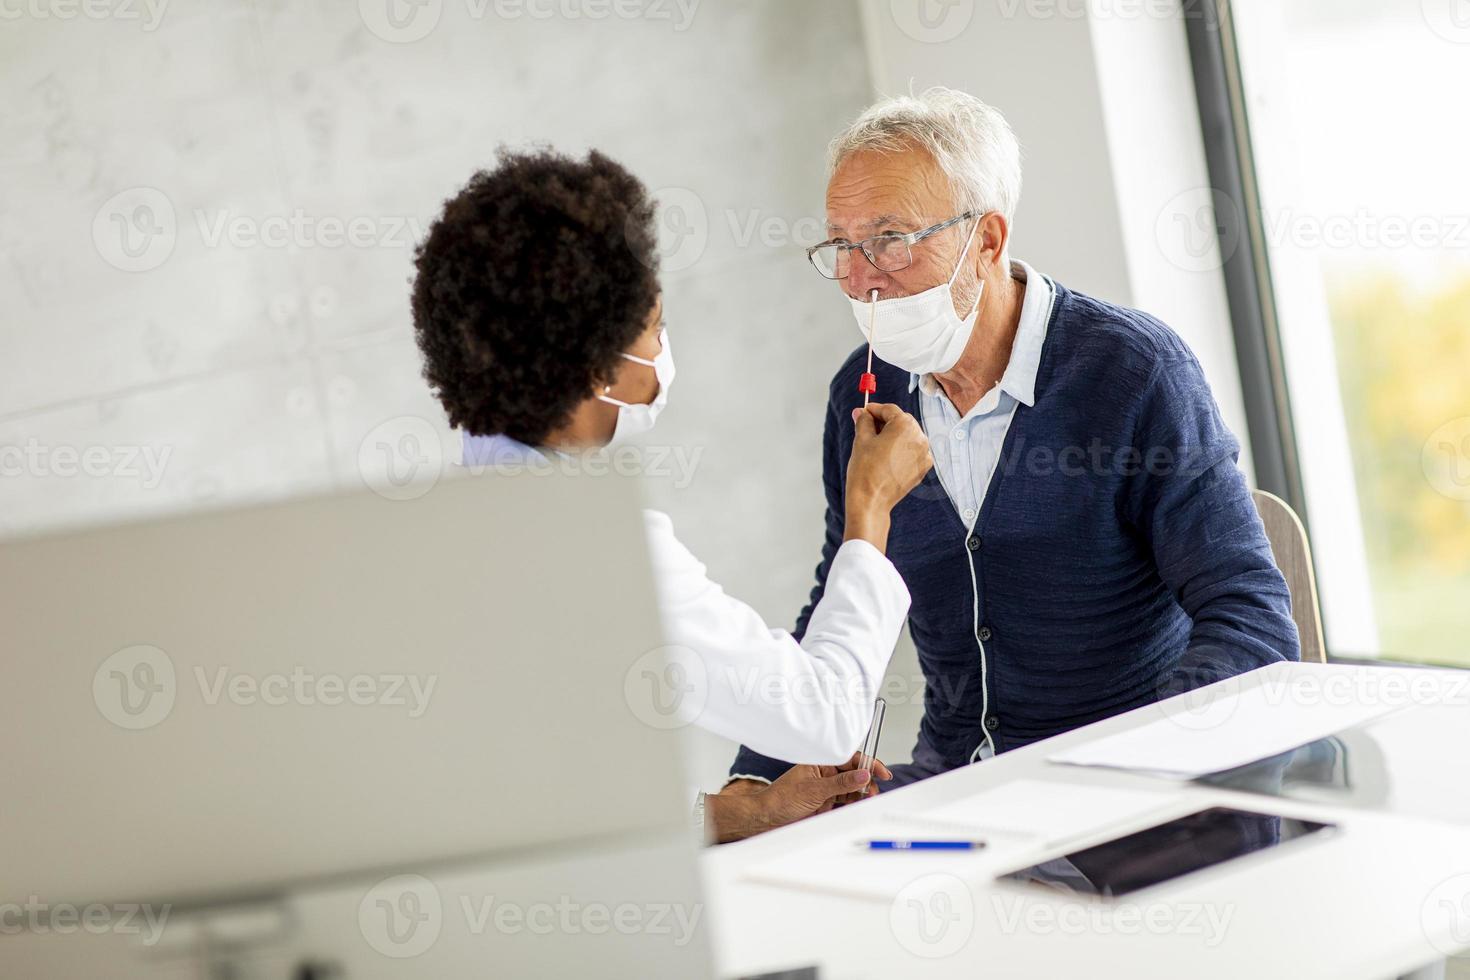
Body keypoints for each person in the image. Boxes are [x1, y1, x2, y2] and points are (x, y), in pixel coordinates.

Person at [725, 87, 1300, 796]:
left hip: (1129, 790)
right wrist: (748, 794)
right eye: (841, 245)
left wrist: (1140, 767)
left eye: (889, 240)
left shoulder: (1133, 373)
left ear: (987, 241)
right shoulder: (863, 394)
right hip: (955, 786)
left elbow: (1251, 620)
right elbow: (839, 593)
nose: (859, 279)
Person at [410, 147, 933, 843]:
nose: (663, 347)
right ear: (599, 365)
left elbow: (546, 797)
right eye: (654, 326)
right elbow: (827, 713)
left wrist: (736, 814)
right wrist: (870, 508)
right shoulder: (595, 549)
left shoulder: (471, 506)